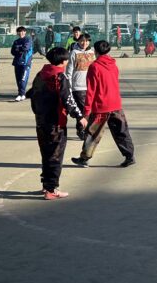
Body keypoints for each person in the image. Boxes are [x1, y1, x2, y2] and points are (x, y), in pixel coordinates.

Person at [28, 46, 82, 199]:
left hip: (41, 121)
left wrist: (37, 112)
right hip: (56, 122)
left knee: (46, 153)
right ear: (64, 61)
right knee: (55, 156)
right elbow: (68, 100)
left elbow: (32, 94)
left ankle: (46, 185)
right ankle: (51, 189)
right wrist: (80, 116)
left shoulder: (41, 74)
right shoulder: (60, 77)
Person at [71, 40, 135, 168]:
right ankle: (129, 155)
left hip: (101, 106)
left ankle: (84, 158)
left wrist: (87, 111)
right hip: (116, 103)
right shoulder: (113, 65)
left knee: (92, 133)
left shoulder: (94, 66)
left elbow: (91, 90)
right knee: (121, 131)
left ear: (95, 51)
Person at [65, 33, 94, 140]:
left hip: (90, 86)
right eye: (82, 41)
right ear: (78, 41)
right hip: (78, 87)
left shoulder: (92, 52)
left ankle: (83, 129)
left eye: (86, 41)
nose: (84, 43)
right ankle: (82, 130)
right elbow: (69, 71)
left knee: (89, 110)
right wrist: (69, 86)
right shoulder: (74, 53)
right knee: (82, 110)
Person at [11, 26, 34, 101]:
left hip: (26, 62)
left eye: (22, 31)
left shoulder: (28, 39)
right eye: (19, 32)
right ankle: (21, 93)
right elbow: (13, 51)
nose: (21, 33)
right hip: (17, 62)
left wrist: (18, 49)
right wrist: (18, 50)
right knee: (18, 79)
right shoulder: (16, 41)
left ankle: (21, 94)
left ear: (25, 32)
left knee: (23, 79)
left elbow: (25, 48)